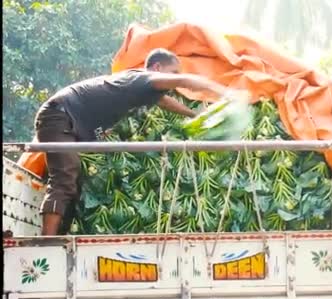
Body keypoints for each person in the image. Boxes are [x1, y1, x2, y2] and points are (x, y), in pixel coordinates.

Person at [35, 48, 243, 236]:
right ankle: (47, 243)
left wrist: (196, 116)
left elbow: (166, 103)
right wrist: (226, 94)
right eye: (173, 73)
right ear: (157, 67)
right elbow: (186, 81)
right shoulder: (143, 79)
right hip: (60, 115)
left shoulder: (144, 89)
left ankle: (60, 235)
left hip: (68, 120)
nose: (175, 80)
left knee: (74, 181)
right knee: (64, 176)